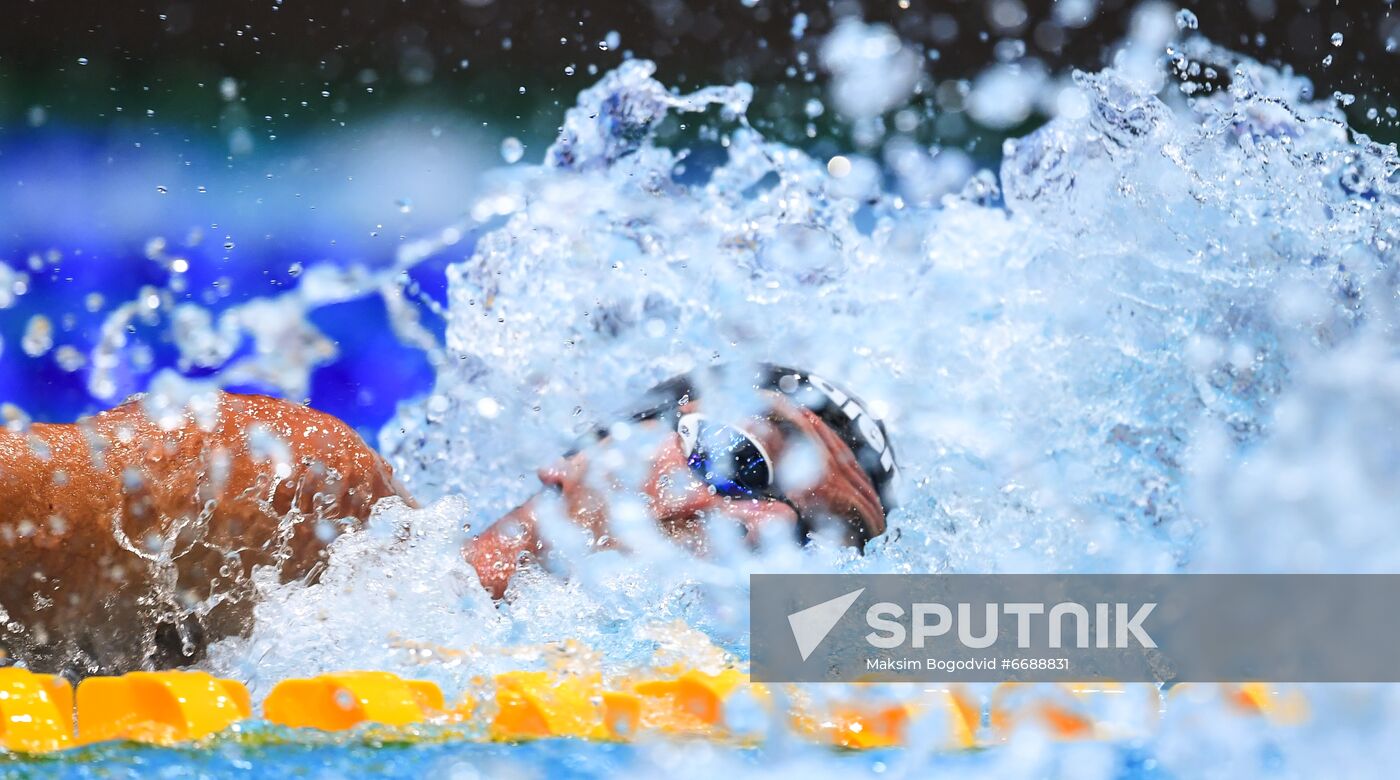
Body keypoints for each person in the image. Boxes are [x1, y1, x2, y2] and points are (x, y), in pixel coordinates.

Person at [0, 364, 896, 674]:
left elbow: (1024, 635)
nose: (748, 523)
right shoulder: (299, 497)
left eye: (805, 540)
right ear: (590, 453)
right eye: (738, 455)